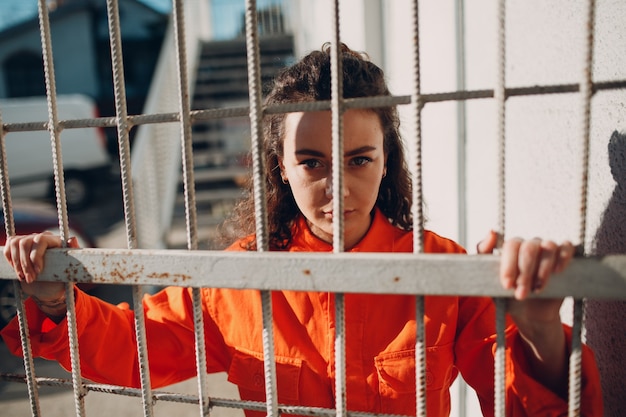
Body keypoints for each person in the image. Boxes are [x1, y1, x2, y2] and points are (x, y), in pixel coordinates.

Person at [2, 44, 602, 417]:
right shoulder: (240, 276)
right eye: (311, 161)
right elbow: (135, 350)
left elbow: (526, 403)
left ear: (386, 159)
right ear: (280, 168)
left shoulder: (440, 269)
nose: (335, 185)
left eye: (358, 159)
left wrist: (541, 334)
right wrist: (57, 300)